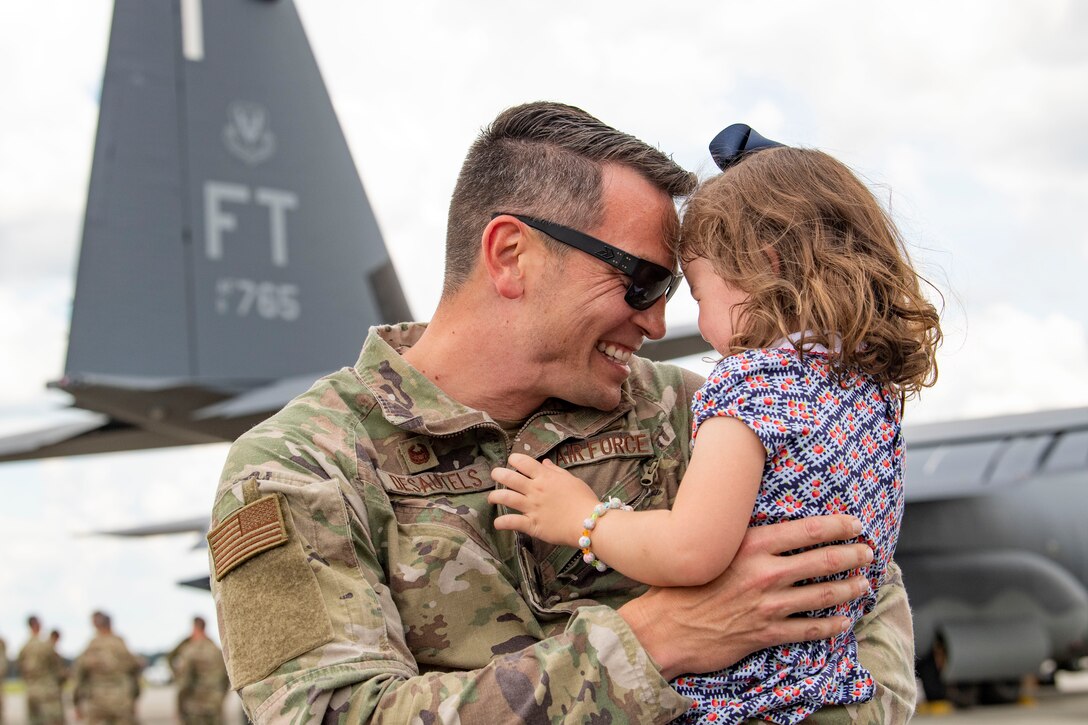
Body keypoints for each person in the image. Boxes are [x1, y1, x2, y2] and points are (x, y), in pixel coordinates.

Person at [208, 101, 917, 723]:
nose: (661, 318)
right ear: (512, 255)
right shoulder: (300, 467)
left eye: (676, 287)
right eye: (641, 280)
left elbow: (862, 590)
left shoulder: (688, 410)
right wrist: (656, 636)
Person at [489, 123, 941, 723]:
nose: (690, 324)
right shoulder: (866, 393)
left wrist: (582, 517)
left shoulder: (750, 386)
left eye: (696, 294)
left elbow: (692, 551)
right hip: (829, 689)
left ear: (762, 267)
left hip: (739, 699)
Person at [71, 612, 142, 725]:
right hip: (121, 701)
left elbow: (79, 675)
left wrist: (76, 703)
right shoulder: (120, 644)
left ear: (97, 626)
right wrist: (135, 698)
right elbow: (135, 670)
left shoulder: (92, 646)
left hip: (97, 702)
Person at [171, 617, 229, 725]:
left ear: (194, 628)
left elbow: (184, 683)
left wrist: (179, 708)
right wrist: (220, 698)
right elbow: (227, 680)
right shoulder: (217, 651)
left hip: (195, 709)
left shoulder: (189, 651)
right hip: (214, 706)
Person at [17, 616, 66, 725]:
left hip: (31, 692)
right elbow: (59, 671)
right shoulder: (47, 646)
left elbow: (21, 668)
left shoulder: (24, 648)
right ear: (39, 625)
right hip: (48, 692)